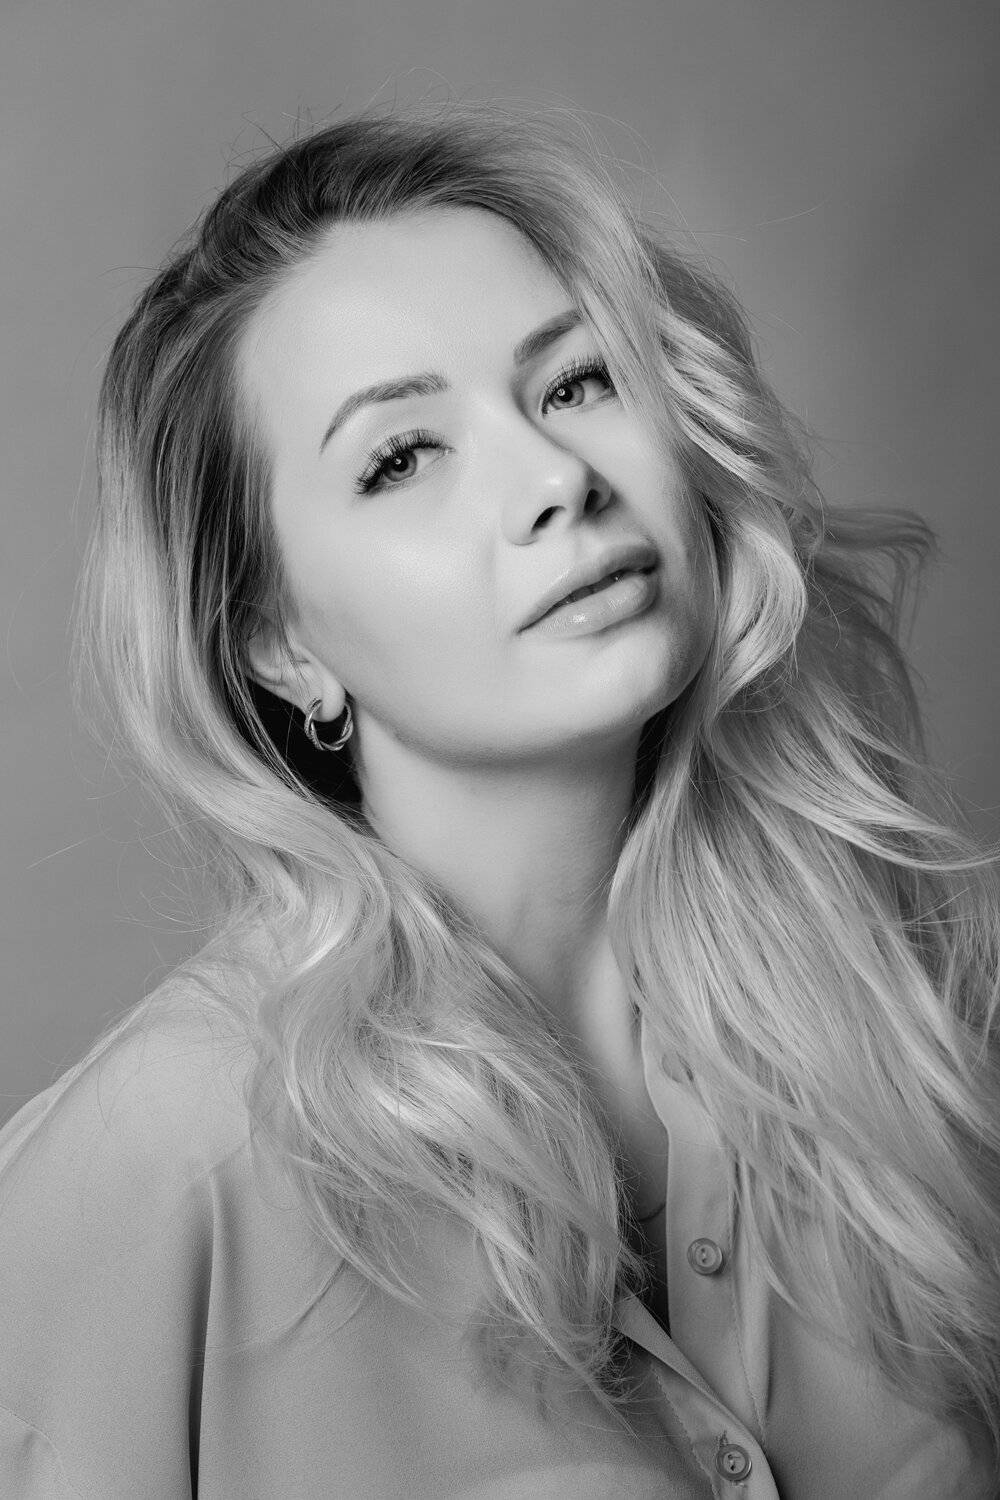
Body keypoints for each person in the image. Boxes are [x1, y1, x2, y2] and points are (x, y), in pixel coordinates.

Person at [1, 101, 998, 1500]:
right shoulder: (156, 1171)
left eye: (578, 383)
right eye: (402, 458)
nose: (556, 481)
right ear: (279, 643)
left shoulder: (920, 997)